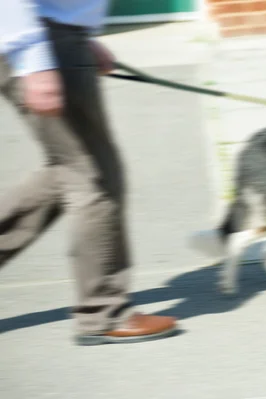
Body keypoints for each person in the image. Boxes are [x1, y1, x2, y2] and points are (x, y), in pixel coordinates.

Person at [0, 1, 178, 345]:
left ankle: (102, 309)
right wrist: (35, 56)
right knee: (94, 176)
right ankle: (104, 311)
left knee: (67, 170)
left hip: (55, 35)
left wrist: (82, 35)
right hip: (38, 39)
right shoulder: (34, 47)